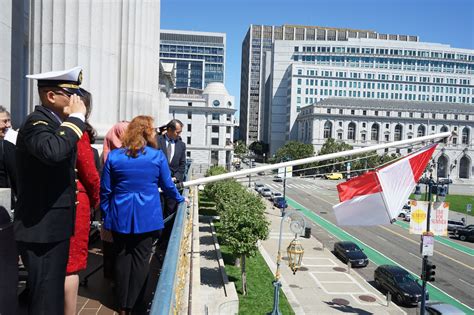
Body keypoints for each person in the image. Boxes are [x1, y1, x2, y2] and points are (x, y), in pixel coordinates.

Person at [14, 66, 87, 315]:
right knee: (45, 298)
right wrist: (77, 119)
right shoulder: (37, 124)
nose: (77, 100)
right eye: (70, 94)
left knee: (51, 295)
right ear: (51, 96)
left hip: (51, 227)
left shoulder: (54, 124)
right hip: (41, 229)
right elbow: (54, 152)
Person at [100, 116, 185, 315]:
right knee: (141, 259)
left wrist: (106, 215)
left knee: (121, 257)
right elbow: (168, 186)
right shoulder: (156, 157)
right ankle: (136, 304)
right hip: (147, 215)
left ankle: (121, 305)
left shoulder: (114, 157)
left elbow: (105, 191)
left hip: (119, 215)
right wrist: (180, 199)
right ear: (148, 133)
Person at [64, 88, 100, 315]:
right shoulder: (77, 132)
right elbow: (89, 172)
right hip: (74, 206)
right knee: (71, 267)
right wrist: (97, 202)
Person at [101, 120, 129, 280]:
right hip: (115, 203)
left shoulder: (108, 152)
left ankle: (111, 275)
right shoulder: (116, 156)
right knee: (115, 244)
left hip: (111, 204)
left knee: (112, 242)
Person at [156, 119, 187, 249]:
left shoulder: (181, 145)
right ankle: (156, 238)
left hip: (172, 186)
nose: (179, 134)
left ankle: (164, 242)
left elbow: (182, 165)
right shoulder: (157, 141)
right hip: (157, 185)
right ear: (169, 130)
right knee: (158, 212)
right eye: (178, 132)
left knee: (170, 212)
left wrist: (176, 177)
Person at [0, 106, 17, 206]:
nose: (9, 125)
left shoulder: (8, 143)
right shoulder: (5, 146)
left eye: (9, 121)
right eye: (5, 121)